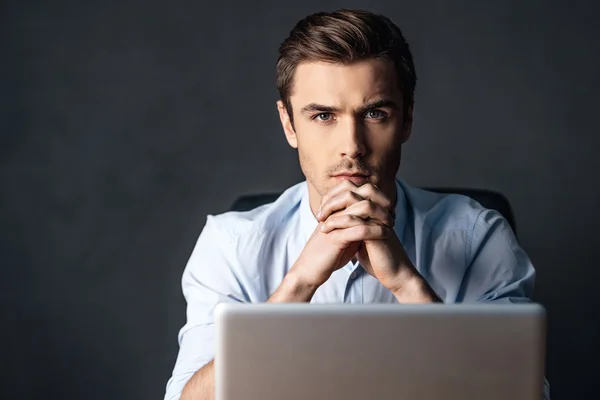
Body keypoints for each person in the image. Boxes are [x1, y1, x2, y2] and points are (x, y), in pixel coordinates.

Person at [164, 9, 550, 400]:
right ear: (288, 124)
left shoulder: (478, 237)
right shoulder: (229, 245)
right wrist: (297, 286)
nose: (352, 146)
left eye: (375, 113)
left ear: (407, 120)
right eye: (323, 115)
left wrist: (407, 284)